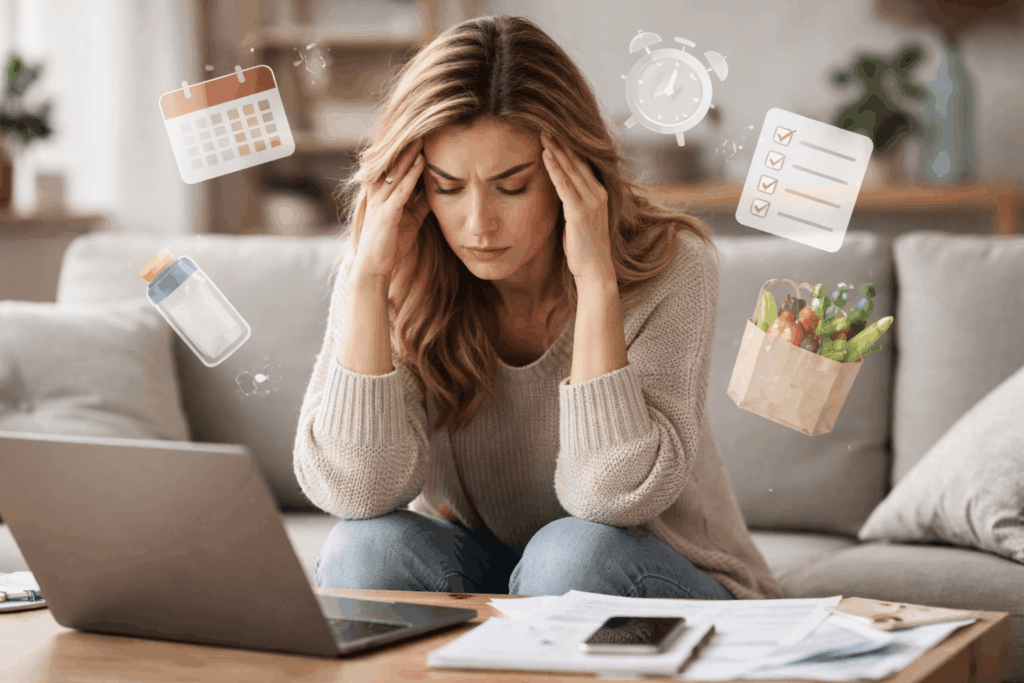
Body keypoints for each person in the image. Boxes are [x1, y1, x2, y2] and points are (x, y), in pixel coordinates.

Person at [293, 15, 782, 601]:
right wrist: (369, 282)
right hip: (497, 574)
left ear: (570, 173)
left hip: (656, 574)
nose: (478, 225)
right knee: (363, 549)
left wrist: (596, 282)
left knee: (571, 556)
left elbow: (610, 497)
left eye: (512, 186)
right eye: (448, 188)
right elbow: (356, 492)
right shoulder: (392, 266)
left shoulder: (672, 265)